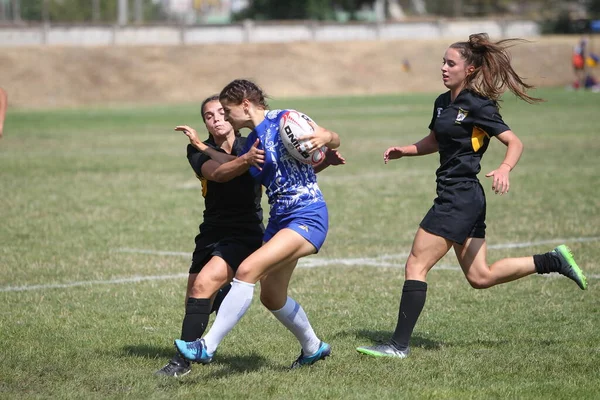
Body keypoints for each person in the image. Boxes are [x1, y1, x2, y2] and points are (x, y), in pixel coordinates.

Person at [356, 33, 588, 360]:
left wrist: (505, 168)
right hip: (463, 196)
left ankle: (398, 346)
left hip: (459, 197)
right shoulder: (441, 102)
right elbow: (435, 140)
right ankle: (553, 260)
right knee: (481, 276)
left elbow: (514, 142)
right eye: (443, 62)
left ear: (469, 69)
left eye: (451, 63)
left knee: (416, 264)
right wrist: (405, 150)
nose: (443, 68)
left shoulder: (478, 105)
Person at [174, 79, 344, 369]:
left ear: (245, 105)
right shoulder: (253, 141)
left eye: (227, 111)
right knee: (272, 296)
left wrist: (326, 136)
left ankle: (207, 346)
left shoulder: (284, 119)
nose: (225, 118)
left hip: (307, 215)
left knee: (246, 270)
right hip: (279, 220)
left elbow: (333, 138)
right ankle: (313, 347)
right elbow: (235, 163)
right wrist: (202, 146)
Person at [155, 95, 267, 377]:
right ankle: (232, 298)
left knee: (203, 286)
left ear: (231, 115)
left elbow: (269, 168)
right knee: (195, 298)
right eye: (209, 115)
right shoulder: (197, 151)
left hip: (245, 231)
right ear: (204, 122)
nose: (216, 118)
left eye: (220, 112)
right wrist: (211, 149)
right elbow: (219, 174)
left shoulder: (252, 143)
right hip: (211, 231)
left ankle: (181, 363)